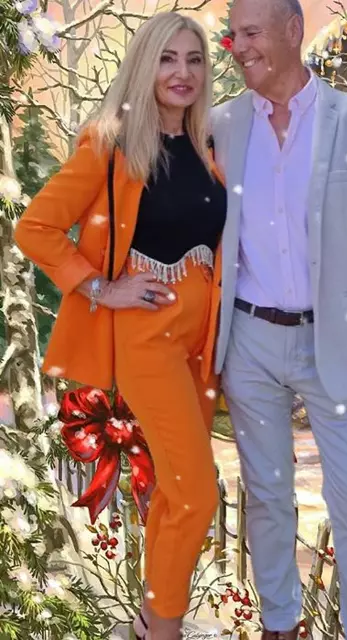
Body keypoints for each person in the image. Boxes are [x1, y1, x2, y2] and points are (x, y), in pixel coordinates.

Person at [14, 12, 226, 640]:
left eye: (194, 59)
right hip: (148, 338)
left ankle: (148, 623)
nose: (182, 72)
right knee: (198, 494)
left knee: (175, 491)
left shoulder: (209, 144)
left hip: (202, 341)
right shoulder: (110, 144)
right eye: (168, 58)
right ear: (144, 65)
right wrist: (102, 288)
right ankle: (164, 629)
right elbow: (35, 228)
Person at [210, 0, 347, 638]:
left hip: (338, 341)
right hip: (248, 340)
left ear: (293, 31)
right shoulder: (219, 124)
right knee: (267, 494)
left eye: (251, 32)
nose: (239, 46)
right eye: (233, 35)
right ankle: (279, 622)